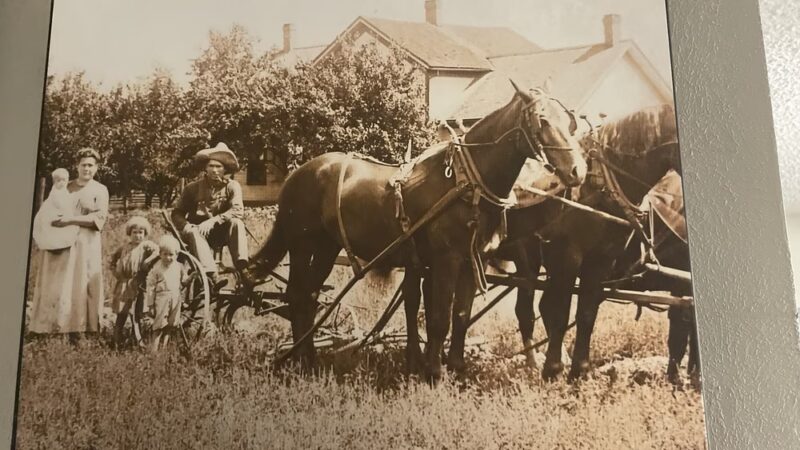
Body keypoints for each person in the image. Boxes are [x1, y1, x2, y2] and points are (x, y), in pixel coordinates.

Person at [28, 148, 109, 340]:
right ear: (77, 166)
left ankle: (82, 329)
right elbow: (51, 209)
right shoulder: (65, 186)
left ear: (96, 168)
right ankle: (56, 328)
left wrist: (70, 220)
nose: (86, 169)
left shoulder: (100, 189)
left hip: (85, 243)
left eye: (90, 165)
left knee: (83, 282)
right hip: (62, 242)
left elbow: (99, 219)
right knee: (63, 284)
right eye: (83, 165)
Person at [171, 142, 248, 288]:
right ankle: (213, 276)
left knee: (237, 223)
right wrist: (186, 225)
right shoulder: (192, 188)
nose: (215, 170)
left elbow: (238, 210)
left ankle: (243, 269)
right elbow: (177, 213)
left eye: (219, 166)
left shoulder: (232, 186)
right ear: (205, 168)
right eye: (211, 166)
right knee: (194, 231)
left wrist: (213, 221)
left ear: (225, 169)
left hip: (221, 232)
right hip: (198, 233)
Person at [110, 216, 159, 346]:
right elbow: (112, 260)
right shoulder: (124, 248)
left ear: (145, 234)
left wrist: (147, 261)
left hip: (138, 283)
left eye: (140, 232)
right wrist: (116, 272)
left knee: (135, 313)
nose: (137, 236)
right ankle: (116, 338)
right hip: (124, 283)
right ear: (129, 233)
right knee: (122, 313)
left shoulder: (146, 246)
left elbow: (158, 251)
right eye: (134, 232)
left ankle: (136, 337)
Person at [145, 235, 188, 351]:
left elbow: (183, 281)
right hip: (162, 297)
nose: (168, 258)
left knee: (171, 324)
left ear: (176, 255)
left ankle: (163, 348)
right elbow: (150, 287)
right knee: (159, 325)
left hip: (175, 297)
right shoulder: (157, 268)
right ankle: (154, 350)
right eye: (165, 254)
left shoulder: (179, 266)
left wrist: (191, 277)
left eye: (171, 255)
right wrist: (150, 305)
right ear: (160, 254)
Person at [31, 168, 80, 251]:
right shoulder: (55, 192)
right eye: (58, 180)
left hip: (61, 212)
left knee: (68, 227)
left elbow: (67, 201)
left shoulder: (64, 191)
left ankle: (63, 242)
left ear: (67, 180)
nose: (61, 183)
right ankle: (54, 244)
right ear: (54, 182)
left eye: (64, 180)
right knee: (51, 229)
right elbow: (59, 203)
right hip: (53, 212)